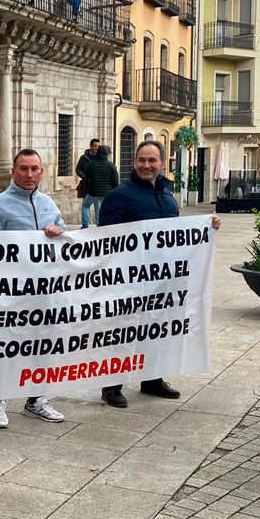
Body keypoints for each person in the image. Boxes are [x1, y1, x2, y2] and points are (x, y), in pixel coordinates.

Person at [98, 140, 221, 409]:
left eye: (152, 160)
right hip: (129, 280)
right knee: (123, 332)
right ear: (134, 163)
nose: (146, 165)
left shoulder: (167, 197)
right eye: (141, 160)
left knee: (157, 330)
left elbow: (178, 237)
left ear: (162, 163)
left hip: (163, 281)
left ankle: (152, 379)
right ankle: (112, 385)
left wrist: (207, 227)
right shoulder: (118, 196)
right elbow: (106, 240)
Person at [0, 149, 67, 428]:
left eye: (34, 169)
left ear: (42, 171)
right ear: (13, 171)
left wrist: (58, 234)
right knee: (7, 348)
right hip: (13, 293)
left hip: (46, 291)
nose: (29, 175)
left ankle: (36, 398)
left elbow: (67, 242)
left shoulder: (48, 204)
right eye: (23, 169)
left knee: (43, 345)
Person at [78, 145, 119, 228]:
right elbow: (115, 181)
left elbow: (87, 179)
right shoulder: (111, 166)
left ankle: (85, 225)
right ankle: (100, 225)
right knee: (103, 209)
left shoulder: (90, 164)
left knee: (85, 205)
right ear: (107, 154)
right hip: (106, 193)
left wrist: (90, 189)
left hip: (93, 192)